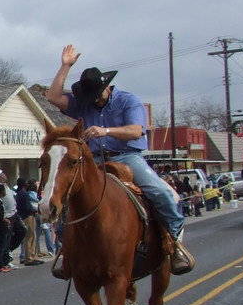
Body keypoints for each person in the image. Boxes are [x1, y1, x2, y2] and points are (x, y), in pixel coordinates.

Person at [46, 44, 193, 276]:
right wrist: (65, 66)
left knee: (161, 193)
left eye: (96, 96)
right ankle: (66, 250)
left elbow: (135, 131)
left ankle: (175, 245)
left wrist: (106, 131)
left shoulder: (128, 101)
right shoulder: (83, 102)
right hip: (93, 160)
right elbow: (53, 96)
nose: (92, 101)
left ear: (106, 89)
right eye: (89, 97)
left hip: (127, 157)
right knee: (68, 195)